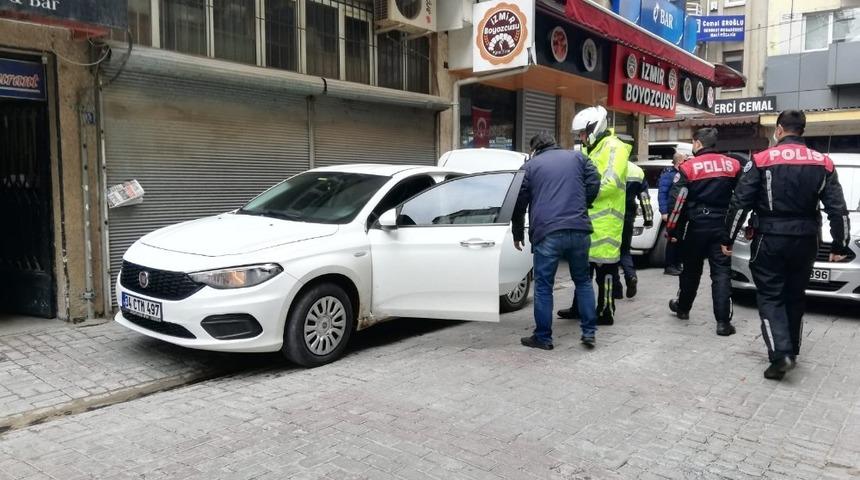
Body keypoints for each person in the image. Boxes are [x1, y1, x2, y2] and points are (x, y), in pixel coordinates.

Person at [721, 110, 850, 380]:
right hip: (806, 239)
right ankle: (792, 348)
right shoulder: (823, 162)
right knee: (795, 293)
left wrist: (727, 239)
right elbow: (838, 209)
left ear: (779, 129)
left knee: (770, 295)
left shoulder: (761, 159)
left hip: (769, 237)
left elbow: (740, 202)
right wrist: (839, 245)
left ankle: (781, 355)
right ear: (802, 130)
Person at [512, 132, 601, 349]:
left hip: (547, 232)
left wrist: (517, 233)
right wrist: (583, 204)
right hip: (579, 229)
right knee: (582, 280)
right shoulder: (578, 158)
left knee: (543, 286)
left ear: (535, 148)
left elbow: (519, 201)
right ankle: (589, 332)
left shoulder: (530, 166)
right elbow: (595, 180)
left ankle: (543, 337)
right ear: (554, 144)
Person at [557, 106, 630, 325]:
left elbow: (611, 182)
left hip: (607, 222)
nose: (580, 138)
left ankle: (606, 311)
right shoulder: (591, 149)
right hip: (587, 220)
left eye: (581, 133)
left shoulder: (614, 147)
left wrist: (579, 193)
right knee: (583, 270)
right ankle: (579, 308)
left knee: (605, 271)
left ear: (594, 128)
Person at [666, 128, 741, 335]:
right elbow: (741, 198)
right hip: (721, 225)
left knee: (691, 270)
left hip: (695, 225)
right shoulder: (732, 164)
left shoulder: (688, 167)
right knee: (721, 273)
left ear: (697, 143)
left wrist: (672, 230)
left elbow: (677, 202)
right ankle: (723, 323)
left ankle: (683, 309)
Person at [614, 162, 653, 298]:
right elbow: (644, 198)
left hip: (611, 216)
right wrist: (648, 219)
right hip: (628, 217)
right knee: (625, 250)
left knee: (611, 252)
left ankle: (616, 289)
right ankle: (631, 276)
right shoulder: (637, 171)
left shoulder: (611, 165)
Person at [658, 152, 686, 275]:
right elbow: (662, 194)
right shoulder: (669, 175)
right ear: (679, 161)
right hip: (672, 211)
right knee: (672, 238)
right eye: (685, 160)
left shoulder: (682, 174)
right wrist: (664, 212)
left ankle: (677, 263)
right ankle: (669, 265)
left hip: (681, 211)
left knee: (680, 238)